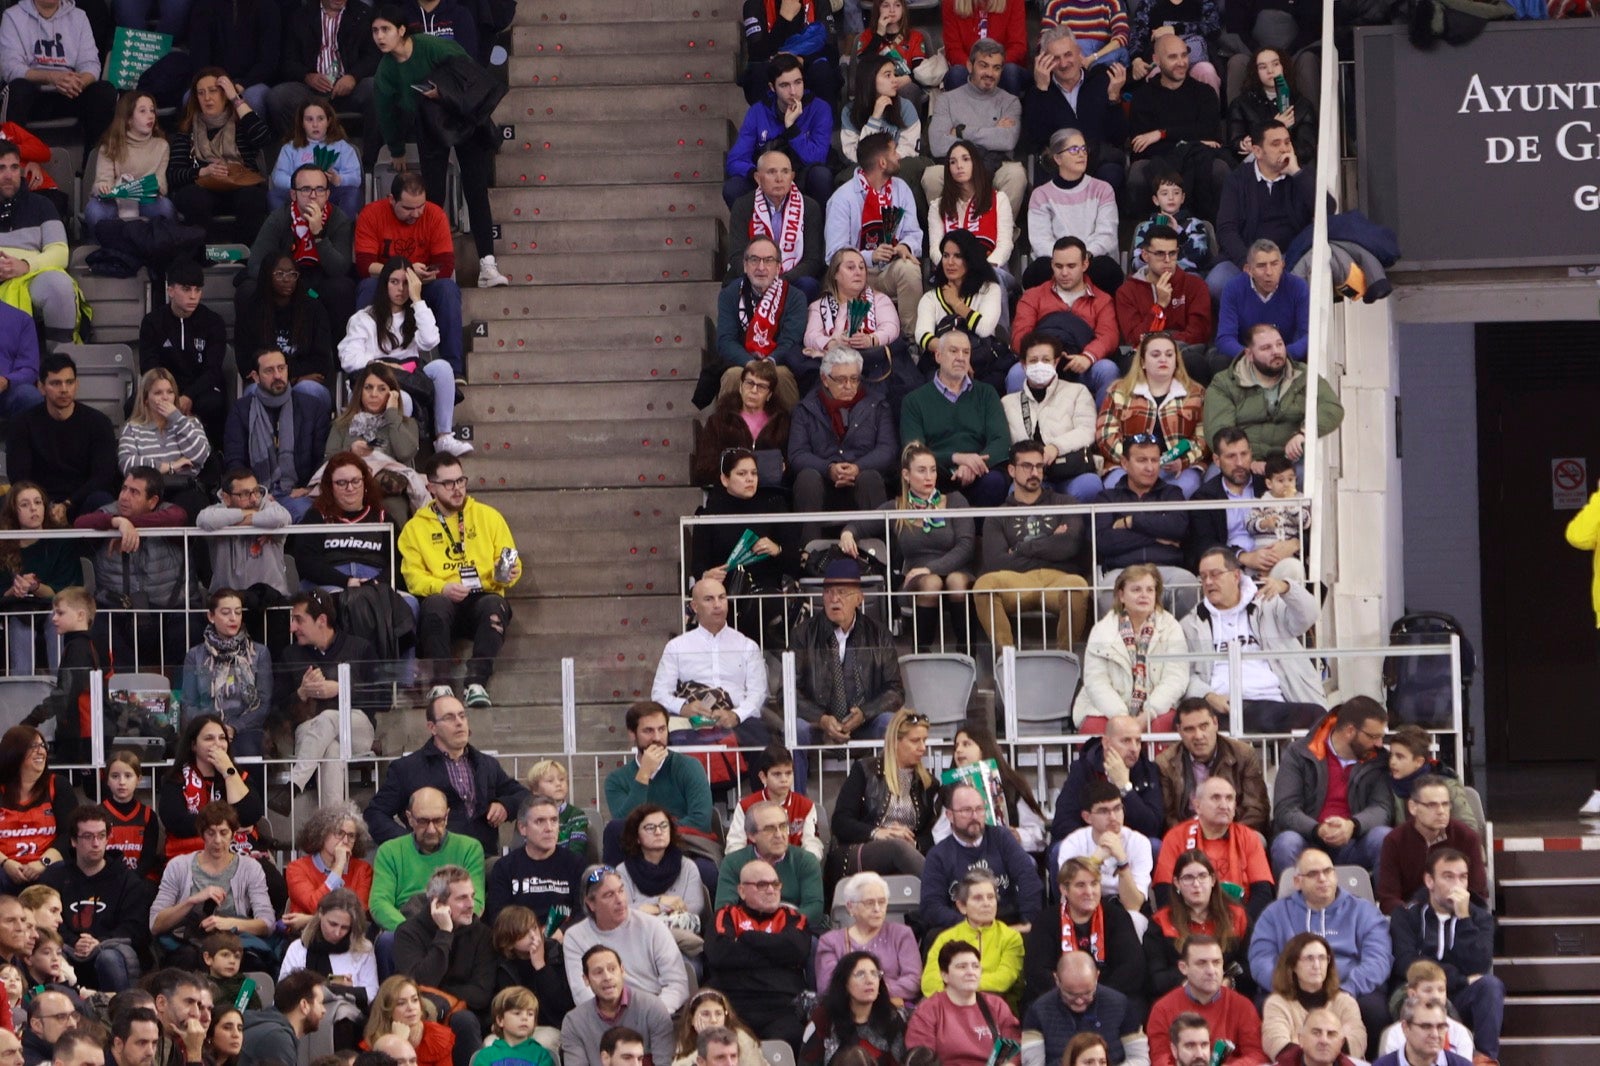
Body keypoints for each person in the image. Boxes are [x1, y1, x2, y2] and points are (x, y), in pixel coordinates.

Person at [370, 6, 507, 288]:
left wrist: (444, 91)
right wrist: (395, 148)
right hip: (429, 124)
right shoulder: (385, 70)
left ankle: (488, 264)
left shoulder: (432, 46)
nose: (380, 37)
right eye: (375, 31)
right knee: (432, 197)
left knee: (475, 188)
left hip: (462, 117)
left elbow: (469, 71)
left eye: (385, 30)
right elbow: (384, 111)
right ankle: (437, 266)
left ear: (402, 30)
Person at [398, 455, 522, 705]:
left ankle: (476, 683)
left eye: (461, 481)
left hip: (482, 596)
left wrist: (510, 572)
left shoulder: (489, 516)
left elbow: (510, 558)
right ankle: (440, 685)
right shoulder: (415, 528)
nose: (457, 489)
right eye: (448, 483)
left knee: (494, 606)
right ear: (430, 487)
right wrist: (442, 586)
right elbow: (412, 577)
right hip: (444, 599)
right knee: (434, 605)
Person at [1250, 849, 1392, 1049]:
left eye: (1328, 871)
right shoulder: (1275, 913)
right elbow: (1260, 959)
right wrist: (1290, 986)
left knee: (1374, 1010)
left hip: (1349, 989)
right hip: (1291, 990)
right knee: (1262, 1005)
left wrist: (1346, 990)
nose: (1323, 879)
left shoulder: (1363, 911)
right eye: (1313, 874)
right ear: (1298, 881)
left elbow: (1379, 959)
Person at [840, 443, 974, 651]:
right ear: (906, 475)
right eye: (921, 471)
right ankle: (921, 654)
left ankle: (967, 654)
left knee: (956, 581)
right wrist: (847, 533)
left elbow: (966, 546)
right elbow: (859, 525)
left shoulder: (956, 501)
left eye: (932, 470)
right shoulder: (897, 507)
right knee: (931, 583)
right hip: (917, 579)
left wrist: (931, 568)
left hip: (955, 570)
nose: (929, 477)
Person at [1183, 547, 1325, 737]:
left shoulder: (1267, 606)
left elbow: (1309, 615)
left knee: (1318, 717)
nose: (1208, 582)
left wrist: (1287, 588)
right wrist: (1208, 696)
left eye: (1215, 574)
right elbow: (1184, 675)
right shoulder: (1191, 624)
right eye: (1203, 576)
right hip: (1221, 708)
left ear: (1235, 576)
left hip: (1272, 701)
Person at [340, 256, 468, 459]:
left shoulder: (414, 315)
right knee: (403, 400)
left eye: (407, 283)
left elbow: (430, 341)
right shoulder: (364, 317)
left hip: (409, 379)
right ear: (384, 284)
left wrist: (417, 300)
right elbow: (348, 358)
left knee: (443, 367)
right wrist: (384, 366)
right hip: (376, 382)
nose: (401, 289)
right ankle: (394, 455)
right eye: (394, 282)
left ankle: (443, 436)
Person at [970, 439, 1092, 653]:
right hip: (1016, 581)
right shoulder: (997, 515)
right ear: (1011, 470)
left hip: (1059, 578)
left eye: (1038, 466)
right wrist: (1052, 541)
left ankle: (1065, 661)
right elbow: (996, 561)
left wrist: (1021, 549)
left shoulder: (1065, 503)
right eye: (1026, 466)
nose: (1034, 472)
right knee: (984, 585)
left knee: (1077, 586)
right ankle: (1007, 664)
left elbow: (1070, 545)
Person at [367, 693, 527, 853]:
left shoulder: (486, 764)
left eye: (462, 716)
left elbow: (524, 796)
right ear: (432, 727)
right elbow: (375, 814)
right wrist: (408, 845)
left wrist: (505, 805)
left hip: (482, 859)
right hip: (432, 861)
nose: (459, 723)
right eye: (449, 718)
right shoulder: (407, 769)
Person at [1388, 849, 1502, 1064]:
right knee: (1412, 992)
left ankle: (1485, 1060)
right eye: (1448, 877)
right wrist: (1460, 978)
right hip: (1417, 993)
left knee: (1491, 986)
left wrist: (1464, 918)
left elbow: (1480, 963)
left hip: (1460, 996)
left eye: (1463, 877)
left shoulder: (1480, 919)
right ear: (1429, 881)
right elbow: (1407, 963)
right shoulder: (1406, 915)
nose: (1457, 885)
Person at [73, 468, 193, 672]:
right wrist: (116, 521)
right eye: (124, 489)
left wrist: (128, 525)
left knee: (189, 627)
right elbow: (79, 523)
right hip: (119, 610)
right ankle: (122, 696)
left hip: (167, 609)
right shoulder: (108, 513)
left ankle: (179, 696)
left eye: (134, 492)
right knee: (98, 626)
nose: (124, 497)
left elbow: (179, 517)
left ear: (153, 501)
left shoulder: (168, 512)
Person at [272, 588, 382, 808]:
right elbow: (276, 711)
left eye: (298, 620)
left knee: (330, 716)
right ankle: (334, 827)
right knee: (331, 751)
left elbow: (382, 697)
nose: (292, 627)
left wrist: (341, 688)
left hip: (356, 729)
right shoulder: (290, 655)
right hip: (309, 732)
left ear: (321, 620)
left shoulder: (360, 648)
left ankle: (294, 785)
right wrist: (301, 694)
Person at [353, 171, 466, 372]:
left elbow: (446, 265)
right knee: (367, 287)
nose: (415, 214)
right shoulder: (371, 214)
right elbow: (364, 265)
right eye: (407, 208)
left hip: (423, 286)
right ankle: (365, 368)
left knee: (448, 289)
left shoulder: (435, 215)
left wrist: (428, 274)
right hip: (384, 286)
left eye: (420, 207)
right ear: (391, 200)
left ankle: (453, 370)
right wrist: (405, 271)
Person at [652, 571, 772, 756]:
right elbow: (659, 694)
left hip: (738, 719)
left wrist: (736, 715)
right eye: (709, 599)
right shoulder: (677, 646)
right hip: (692, 720)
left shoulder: (747, 645)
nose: (717, 605)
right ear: (694, 606)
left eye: (722, 598)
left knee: (762, 743)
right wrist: (683, 708)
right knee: (677, 747)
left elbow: (758, 693)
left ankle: (760, 786)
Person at [789, 558, 904, 747]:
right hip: (818, 725)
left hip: (865, 723)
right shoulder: (803, 634)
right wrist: (821, 719)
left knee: (889, 724)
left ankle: (887, 777)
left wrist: (865, 713)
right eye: (828, 592)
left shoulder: (879, 634)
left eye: (842, 592)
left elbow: (895, 691)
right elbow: (788, 691)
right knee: (796, 728)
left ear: (859, 598)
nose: (834, 599)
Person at [1271, 698, 1393, 872]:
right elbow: (1285, 808)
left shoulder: (1378, 759)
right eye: (1373, 737)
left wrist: (1353, 825)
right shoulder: (1300, 753)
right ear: (1350, 731)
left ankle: (1386, 900)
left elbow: (1382, 808)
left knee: (1383, 838)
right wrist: (1317, 829)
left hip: (1355, 840)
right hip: (1308, 839)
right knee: (1286, 843)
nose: (1380, 744)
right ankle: (1291, 899)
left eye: (1382, 736)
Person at [148, 802, 275, 967]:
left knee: (252, 961)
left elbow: (268, 923)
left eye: (223, 833)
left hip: (233, 941)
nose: (217, 840)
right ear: (202, 834)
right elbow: (155, 925)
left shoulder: (250, 867)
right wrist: (191, 901)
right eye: (211, 833)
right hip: (190, 942)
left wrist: (230, 924)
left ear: (234, 834)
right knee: (187, 958)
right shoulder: (178, 866)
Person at [686, 457, 799, 640]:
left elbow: (794, 563)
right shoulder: (709, 515)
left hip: (765, 593)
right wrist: (707, 575)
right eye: (742, 473)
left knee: (766, 606)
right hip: (723, 593)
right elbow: (698, 565)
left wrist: (777, 549)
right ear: (725, 479)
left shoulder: (775, 508)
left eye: (754, 473)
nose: (750, 479)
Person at [393, 865, 495, 1066]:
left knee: (464, 1021)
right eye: (461, 898)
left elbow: (482, 994)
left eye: (471, 896)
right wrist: (445, 933)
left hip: (466, 1015)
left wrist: (441, 992)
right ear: (437, 903)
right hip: (421, 1011)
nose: (470, 904)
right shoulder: (408, 933)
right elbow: (419, 982)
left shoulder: (482, 934)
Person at [706, 859, 814, 1046]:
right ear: (741, 891)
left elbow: (796, 950)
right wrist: (776, 956)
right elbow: (720, 954)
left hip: (783, 1006)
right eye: (762, 885)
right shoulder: (726, 915)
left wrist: (747, 938)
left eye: (775, 884)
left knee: (792, 1039)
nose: (771, 890)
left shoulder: (793, 918)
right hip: (733, 1005)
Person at [38, 805, 147, 990]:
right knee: (50, 955)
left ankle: (120, 1012)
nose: (96, 843)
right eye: (88, 837)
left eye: (101, 836)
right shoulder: (54, 877)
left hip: (110, 949)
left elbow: (135, 928)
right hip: (66, 947)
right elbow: (42, 919)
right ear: (73, 840)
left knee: (109, 957)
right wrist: (74, 942)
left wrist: (100, 942)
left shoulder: (127, 880)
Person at [1124, 34, 1229, 223]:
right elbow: (1141, 148)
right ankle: (1145, 234)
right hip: (1161, 160)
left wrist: (1161, 134)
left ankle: (1217, 233)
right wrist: (1191, 142)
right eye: (1173, 57)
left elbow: (1212, 135)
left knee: (1220, 169)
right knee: (1137, 172)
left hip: (1199, 159)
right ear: (1156, 60)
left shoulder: (1204, 92)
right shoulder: (1143, 97)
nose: (1181, 62)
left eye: (1184, 55)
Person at [787, 349, 897, 529]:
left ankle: (879, 550)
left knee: (870, 477)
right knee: (807, 478)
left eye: (854, 379)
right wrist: (828, 469)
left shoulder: (877, 405)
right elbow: (797, 454)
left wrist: (858, 467)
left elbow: (887, 449)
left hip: (862, 478)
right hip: (822, 481)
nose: (849, 385)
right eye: (841, 380)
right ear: (825, 379)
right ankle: (806, 550)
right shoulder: (806, 409)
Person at [900, 328, 1009, 507]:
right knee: (920, 476)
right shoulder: (914, 401)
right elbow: (912, 451)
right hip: (937, 473)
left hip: (979, 473)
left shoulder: (986, 393)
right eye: (953, 351)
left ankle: (982, 535)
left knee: (995, 481)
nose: (961, 357)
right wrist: (956, 458)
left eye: (966, 352)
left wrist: (973, 464)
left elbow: (1001, 441)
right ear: (938, 356)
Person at [1209, 122, 1317, 303]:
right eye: (1276, 144)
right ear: (1257, 151)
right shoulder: (1237, 180)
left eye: (1287, 142)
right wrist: (1248, 263)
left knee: (1305, 279)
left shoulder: (1302, 175)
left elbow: (1328, 209)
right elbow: (1226, 228)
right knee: (1216, 282)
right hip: (1249, 257)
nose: (1284, 149)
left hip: (1290, 257)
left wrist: (1297, 174)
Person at [825, 132, 924, 329]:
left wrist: (905, 246)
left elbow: (914, 233)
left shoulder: (901, 188)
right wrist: (870, 257)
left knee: (910, 269)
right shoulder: (842, 199)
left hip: (890, 269)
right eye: (894, 152)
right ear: (882, 162)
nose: (899, 156)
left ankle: (911, 340)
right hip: (861, 272)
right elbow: (833, 256)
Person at [603, 701, 717, 873]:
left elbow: (700, 821)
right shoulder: (615, 779)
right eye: (648, 731)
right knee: (614, 830)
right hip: (636, 850)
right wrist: (644, 774)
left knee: (706, 871)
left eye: (662, 729)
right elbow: (622, 826)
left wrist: (655, 833)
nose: (657, 737)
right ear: (632, 734)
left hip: (686, 846)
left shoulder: (689, 766)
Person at [1072, 564, 1187, 734]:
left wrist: (1148, 713)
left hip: (1155, 709)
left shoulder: (1171, 627)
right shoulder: (1101, 630)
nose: (1144, 595)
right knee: (1095, 730)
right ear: (1121, 595)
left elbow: (1176, 678)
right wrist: (1121, 717)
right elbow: (1096, 682)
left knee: (1163, 726)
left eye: (1150, 590)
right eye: (1136, 590)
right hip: (1107, 709)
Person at [7, 353, 119, 521]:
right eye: (56, 383)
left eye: (69, 382)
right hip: (38, 503)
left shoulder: (98, 422)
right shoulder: (23, 424)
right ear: (41, 387)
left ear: (77, 384)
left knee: (102, 500)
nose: (64, 389)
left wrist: (68, 504)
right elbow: (19, 476)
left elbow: (103, 476)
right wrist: (46, 504)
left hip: (82, 502)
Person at [1096, 332, 1208, 499]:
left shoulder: (1196, 394)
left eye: (1169, 355)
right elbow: (1105, 435)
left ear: (1176, 361)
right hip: (1126, 466)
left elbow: (1203, 437)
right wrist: (1134, 462)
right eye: (1156, 355)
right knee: (1115, 486)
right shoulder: (1119, 391)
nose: (1163, 359)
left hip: (1177, 467)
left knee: (1185, 487)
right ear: (1142, 362)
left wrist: (1183, 461)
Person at [0, 0, 115, 164]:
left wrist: (78, 82)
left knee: (104, 91)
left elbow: (91, 65)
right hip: (34, 94)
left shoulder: (79, 16)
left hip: (69, 93)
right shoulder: (12, 16)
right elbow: (11, 68)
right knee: (17, 89)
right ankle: (12, 167)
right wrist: (52, 77)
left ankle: (94, 170)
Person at [828, 708, 937, 878]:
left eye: (924, 740)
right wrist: (877, 833)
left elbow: (933, 834)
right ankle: (945, 893)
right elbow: (840, 822)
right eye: (915, 741)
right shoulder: (864, 771)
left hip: (908, 855)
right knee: (896, 847)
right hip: (863, 849)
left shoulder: (928, 783)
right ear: (895, 741)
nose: (922, 748)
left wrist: (914, 843)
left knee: (902, 848)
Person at [563, 868, 690, 1014]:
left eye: (621, 890)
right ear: (591, 904)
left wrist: (654, 1014)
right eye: (609, 895)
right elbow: (582, 994)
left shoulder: (652, 926)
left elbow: (677, 984)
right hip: (605, 1018)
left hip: (654, 1010)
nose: (620, 900)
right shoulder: (575, 937)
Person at [166, 70, 272, 243]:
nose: (207, 97)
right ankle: (209, 255)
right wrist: (203, 172)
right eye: (201, 93)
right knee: (193, 198)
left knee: (253, 198)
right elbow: (173, 174)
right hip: (204, 189)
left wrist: (235, 98)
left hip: (241, 186)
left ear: (225, 93)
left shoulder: (241, 122)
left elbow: (263, 138)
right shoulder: (187, 128)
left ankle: (246, 257)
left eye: (213, 90)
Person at [221, 349, 328, 521]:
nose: (277, 375)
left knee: (310, 515)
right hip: (254, 495)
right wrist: (254, 494)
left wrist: (309, 489)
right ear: (255, 377)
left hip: (296, 492)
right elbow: (235, 460)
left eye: (281, 368)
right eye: (269, 371)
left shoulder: (311, 407)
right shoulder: (241, 410)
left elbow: (321, 457)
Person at [1011, 238, 1119, 407]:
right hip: (1041, 363)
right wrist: (1044, 357)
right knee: (1016, 373)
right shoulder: (1033, 296)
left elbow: (1109, 336)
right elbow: (1020, 335)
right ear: (1052, 265)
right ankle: (1023, 431)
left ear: (1085, 265)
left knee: (1108, 369)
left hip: (1081, 364)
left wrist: (1087, 357)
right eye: (1058, 266)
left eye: (1071, 266)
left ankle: (1102, 429)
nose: (1064, 273)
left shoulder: (1102, 299)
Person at [923, 783, 1044, 932]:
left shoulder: (1001, 838)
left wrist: (1027, 922)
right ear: (949, 815)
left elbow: (1029, 880)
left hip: (1008, 925)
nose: (975, 816)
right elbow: (931, 906)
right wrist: (972, 926)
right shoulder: (938, 855)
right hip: (963, 929)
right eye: (966, 810)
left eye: (979, 809)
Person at [367, 785, 487, 933]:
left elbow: (477, 902)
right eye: (423, 821)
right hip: (406, 924)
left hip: (455, 926)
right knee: (387, 941)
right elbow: (379, 904)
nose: (431, 829)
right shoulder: (389, 851)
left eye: (438, 821)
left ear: (447, 816)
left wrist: (447, 929)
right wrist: (412, 932)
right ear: (410, 818)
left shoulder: (469, 848)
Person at [1188, 429, 1303, 581]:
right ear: (1216, 460)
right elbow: (1204, 545)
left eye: (1244, 454)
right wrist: (1243, 557)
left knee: (1294, 569)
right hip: (1232, 568)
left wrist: (1294, 544)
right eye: (1231, 456)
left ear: (1251, 453)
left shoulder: (1268, 485)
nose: (1240, 463)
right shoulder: (1204, 496)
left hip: (1275, 560)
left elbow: (1306, 523)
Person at [924, 43, 1025, 214]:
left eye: (996, 68)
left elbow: (1007, 141)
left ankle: (1002, 234)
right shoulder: (947, 100)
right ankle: (949, 235)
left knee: (1015, 174)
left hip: (996, 166)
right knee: (932, 176)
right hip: (956, 168)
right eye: (983, 65)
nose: (990, 74)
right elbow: (938, 144)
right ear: (970, 66)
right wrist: (993, 130)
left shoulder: (1010, 102)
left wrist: (961, 131)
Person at [1151, 777, 1273, 919]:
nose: (1224, 805)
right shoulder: (1176, 837)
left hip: (1239, 924)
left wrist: (1238, 924)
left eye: (1229, 799)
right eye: (1215, 798)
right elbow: (1164, 892)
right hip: (1188, 925)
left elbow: (1263, 894)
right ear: (1197, 806)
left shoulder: (1249, 838)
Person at [138, 260, 230, 445]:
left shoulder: (213, 322)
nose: (193, 296)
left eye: (198, 290)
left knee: (213, 404)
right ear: (170, 290)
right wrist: (168, 395)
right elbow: (149, 367)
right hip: (164, 388)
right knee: (134, 404)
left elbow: (213, 370)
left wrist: (188, 396)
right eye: (187, 289)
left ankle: (212, 458)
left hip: (200, 390)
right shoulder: (152, 322)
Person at [1020, 27, 1127, 187]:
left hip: (1098, 162)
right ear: (1044, 61)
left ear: (1079, 52)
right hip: (1059, 165)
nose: (1063, 64)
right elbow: (1034, 141)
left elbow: (1118, 137)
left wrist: (1113, 98)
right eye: (1055, 58)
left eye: (1068, 54)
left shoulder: (1102, 81)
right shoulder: (1037, 91)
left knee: (1112, 172)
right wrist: (1041, 89)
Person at [724, 56, 833, 211]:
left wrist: (792, 129)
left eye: (798, 82)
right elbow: (735, 160)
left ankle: (818, 234)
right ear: (772, 87)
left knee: (821, 176)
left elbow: (818, 158)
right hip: (766, 180)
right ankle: (755, 234)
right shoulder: (758, 111)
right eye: (784, 85)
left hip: (802, 176)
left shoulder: (820, 108)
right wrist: (759, 174)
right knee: (733, 187)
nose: (793, 91)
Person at [710, 237, 807, 410]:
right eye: (754, 260)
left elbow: (791, 340)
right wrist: (750, 364)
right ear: (745, 265)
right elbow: (725, 340)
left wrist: (769, 362)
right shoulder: (729, 294)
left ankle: (792, 435)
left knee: (782, 376)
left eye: (768, 260)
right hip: (741, 363)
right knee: (733, 376)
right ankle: (727, 434)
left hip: (778, 362)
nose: (761, 267)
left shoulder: (795, 297)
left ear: (778, 267)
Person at [270, 0, 378, 153]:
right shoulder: (300, 16)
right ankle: (300, 153)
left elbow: (372, 56)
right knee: (278, 97)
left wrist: (353, 76)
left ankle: (369, 158)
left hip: (350, 87)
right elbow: (287, 60)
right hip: (311, 90)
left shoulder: (363, 13)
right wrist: (307, 76)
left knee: (375, 88)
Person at [1001, 333, 1099, 502]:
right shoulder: (1007, 403)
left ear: (1056, 362)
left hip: (1069, 472)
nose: (1040, 365)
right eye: (1033, 360)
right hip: (1029, 477)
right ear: (1023, 365)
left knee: (1090, 484)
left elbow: (1087, 431)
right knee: (1013, 491)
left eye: (1046, 360)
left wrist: (1056, 446)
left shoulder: (1077, 392)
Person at [1024, 131, 1122, 297]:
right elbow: (1040, 240)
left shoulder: (1103, 189)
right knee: (1037, 272)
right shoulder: (1041, 194)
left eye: (1084, 149)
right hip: (1056, 261)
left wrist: (1081, 260)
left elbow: (1107, 234)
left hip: (1091, 259)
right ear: (1058, 158)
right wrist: (1065, 263)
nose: (1082, 154)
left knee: (1107, 270)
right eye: (1074, 149)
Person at [178, 588, 272, 757]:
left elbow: (264, 704)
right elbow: (188, 704)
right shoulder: (195, 655)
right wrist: (214, 729)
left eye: (238, 612)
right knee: (205, 748)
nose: (233, 618)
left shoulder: (259, 653)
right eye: (226, 613)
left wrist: (234, 727)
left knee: (247, 750)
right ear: (211, 616)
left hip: (246, 728)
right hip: (206, 726)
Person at [1143, 849, 1248, 999]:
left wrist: (1228, 981)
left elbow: (1250, 966)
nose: (1196, 884)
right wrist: (1194, 981)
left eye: (1202, 876)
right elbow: (1156, 979)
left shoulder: (1237, 916)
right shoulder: (1161, 921)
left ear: (1212, 880)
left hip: (1228, 995)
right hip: (1180, 998)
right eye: (1188, 878)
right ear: (1176, 883)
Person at [156, 714, 265, 859]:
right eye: (209, 738)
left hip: (238, 852)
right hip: (189, 856)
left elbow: (249, 815)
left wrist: (228, 771)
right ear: (193, 745)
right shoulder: (176, 779)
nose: (217, 744)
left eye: (222, 738)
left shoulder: (239, 776)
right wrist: (229, 825)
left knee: (272, 879)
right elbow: (177, 823)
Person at [1376, 775, 1487, 916]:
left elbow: (1477, 893)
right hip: (1412, 920)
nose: (1441, 811)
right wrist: (1414, 918)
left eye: (1445, 804)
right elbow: (1388, 898)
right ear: (1413, 807)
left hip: (1457, 915)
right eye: (1432, 805)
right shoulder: (1394, 841)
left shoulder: (1466, 837)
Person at [1156, 698, 1272, 833]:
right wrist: (1193, 837)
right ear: (1179, 731)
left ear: (1215, 723)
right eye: (1189, 729)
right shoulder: (1165, 763)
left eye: (1204, 726)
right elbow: (1169, 816)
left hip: (1235, 832)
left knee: (1258, 839)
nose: (1198, 735)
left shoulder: (1243, 754)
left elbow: (1256, 809)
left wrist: (1223, 836)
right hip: (1187, 836)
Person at [1146, 938, 1264, 1066]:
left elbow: (1257, 1054)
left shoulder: (1242, 1006)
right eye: (1201, 963)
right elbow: (1160, 1059)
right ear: (1183, 967)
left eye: (1217, 962)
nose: (1211, 971)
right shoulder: (1162, 1009)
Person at [1051, 714, 1166, 844]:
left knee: (1155, 846)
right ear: (1106, 743)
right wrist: (1098, 840)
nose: (1134, 748)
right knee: (1059, 850)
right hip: (1089, 844)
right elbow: (1063, 823)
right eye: (1126, 741)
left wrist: (1124, 786)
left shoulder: (1148, 770)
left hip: (1129, 844)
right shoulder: (1083, 769)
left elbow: (1153, 828)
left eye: (1138, 741)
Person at [729, 149, 825, 303]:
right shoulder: (743, 206)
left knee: (809, 285)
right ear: (758, 178)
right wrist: (760, 277)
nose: (779, 178)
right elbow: (736, 255)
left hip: (792, 279)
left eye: (785, 172)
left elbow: (812, 260)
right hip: (754, 278)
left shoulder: (809, 207)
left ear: (792, 176)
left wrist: (780, 280)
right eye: (772, 172)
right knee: (733, 287)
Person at [905, 940, 1021, 1066]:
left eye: (975, 966)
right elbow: (921, 1058)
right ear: (945, 975)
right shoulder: (929, 1010)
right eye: (962, 967)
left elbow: (1016, 1047)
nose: (971, 972)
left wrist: (1010, 1064)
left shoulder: (996, 1005)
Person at [815, 872, 922, 1005]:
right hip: (847, 1014)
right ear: (850, 907)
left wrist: (870, 991)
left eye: (882, 902)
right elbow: (827, 987)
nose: (877, 909)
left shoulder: (901, 934)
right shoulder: (830, 942)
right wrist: (869, 993)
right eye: (869, 903)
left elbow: (913, 982)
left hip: (893, 1012)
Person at [0, 483, 74, 675]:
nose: (33, 508)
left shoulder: (61, 541)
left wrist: (35, 586)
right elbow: (2, 593)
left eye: (38, 502)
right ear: (13, 512)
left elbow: (64, 590)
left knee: (56, 617)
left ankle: (60, 689)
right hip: (16, 609)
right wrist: (14, 590)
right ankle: (21, 692)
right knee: (20, 623)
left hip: (53, 606)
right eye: (24, 505)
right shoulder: (3, 545)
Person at [119, 368, 213, 516]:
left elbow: (201, 455)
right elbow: (128, 464)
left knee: (193, 503)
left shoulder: (190, 423)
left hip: (183, 490)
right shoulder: (132, 428)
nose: (165, 398)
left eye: (170, 392)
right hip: (146, 493)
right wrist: (169, 466)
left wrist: (177, 419)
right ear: (145, 399)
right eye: (158, 393)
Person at [714, 800, 825, 925]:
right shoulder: (733, 863)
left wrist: (776, 926)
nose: (779, 835)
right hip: (747, 933)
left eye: (783, 826)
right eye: (769, 829)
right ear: (751, 835)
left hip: (794, 932)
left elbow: (814, 909)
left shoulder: (805, 861)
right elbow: (723, 910)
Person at [1022, 952, 1141, 1066]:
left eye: (1087, 993)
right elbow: (1033, 1063)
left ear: (1097, 977)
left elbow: (1140, 1059)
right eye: (1070, 994)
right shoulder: (1038, 1011)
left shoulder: (1121, 1005)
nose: (1079, 1001)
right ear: (1057, 979)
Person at [1056, 780, 1154, 916]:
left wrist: (1122, 861)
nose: (1113, 817)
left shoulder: (1139, 842)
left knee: (1135, 919)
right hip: (1087, 908)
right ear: (1087, 817)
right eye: (1104, 811)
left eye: (1117, 808)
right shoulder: (1073, 843)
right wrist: (1095, 860)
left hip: (1125, 909)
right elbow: (1070, 896)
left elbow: (1133, 905)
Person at [1260, 934, 1366, 1060]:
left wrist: (1301, 1042)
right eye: (1309, 958)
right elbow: (1277, 1046)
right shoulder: (1277, 1003)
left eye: (1322, 958)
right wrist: (1331, 1044)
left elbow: (1357, 1044)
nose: (1316, 965)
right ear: (1293, 965)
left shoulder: (1345, 1001)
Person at [197, 466, 294, 602]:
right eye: (245, 494)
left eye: (256, 491)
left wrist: (247, 520)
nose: (254, 499)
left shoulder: (267, 507)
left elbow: (282, 517)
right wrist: (247, 514)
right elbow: (204, 520)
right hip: (228, 602)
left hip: (270, 600)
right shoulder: (216, 512)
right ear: (226, 498)